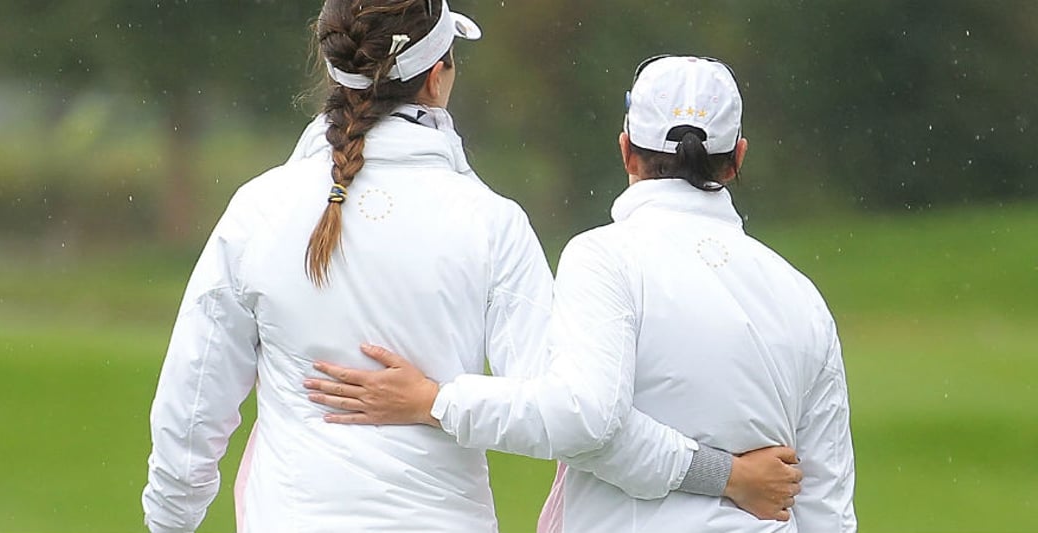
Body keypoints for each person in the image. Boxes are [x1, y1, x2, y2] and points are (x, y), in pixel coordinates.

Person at [142, 0, 798, 528]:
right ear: (437, 75)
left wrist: (172, 519)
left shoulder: (259, 211)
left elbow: (192, 403)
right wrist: (726, 476)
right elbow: (578, 418)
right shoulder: (491, 224)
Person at [305, 55, 857, 532]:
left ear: (626, 152)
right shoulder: (801, 296)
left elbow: (586, 425)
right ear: (736, 158)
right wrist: (731, 477)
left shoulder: (605, 258)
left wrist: (434, 401)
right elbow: (827, 505)